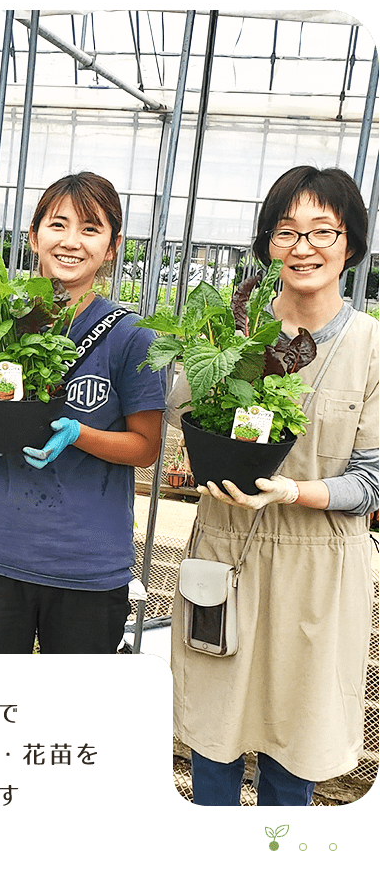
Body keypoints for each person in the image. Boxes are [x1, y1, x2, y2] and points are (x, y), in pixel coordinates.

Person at [167, 166, 378, 806]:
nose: (303, 247)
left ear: (350, 244)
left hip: (319, 563)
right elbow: (182, 413)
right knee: (212, 734)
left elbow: (370, 481)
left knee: (297, 740)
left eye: (322, 231)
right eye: (286, 232)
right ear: (267, 245)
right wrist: (213, 347)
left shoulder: (370, 345)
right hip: (223, 553)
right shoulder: (233, 333)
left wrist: (294, 492)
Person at [0, 171, 166, 653]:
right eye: (58, 225)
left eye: (90, 229)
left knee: (72, 721)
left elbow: (146, 448)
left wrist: (79, 434)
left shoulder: (131, 337)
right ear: (34, 236)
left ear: (112, 246)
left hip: (86, 566)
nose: (71, 242)